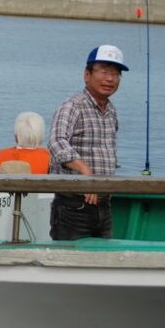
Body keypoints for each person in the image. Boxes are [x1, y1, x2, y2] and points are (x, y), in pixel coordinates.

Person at [48, 44, 128, 240]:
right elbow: (56, 142)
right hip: (74, 206)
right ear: (87, 74)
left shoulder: (111, 111)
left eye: (116, 73)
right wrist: (86, 172)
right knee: (69, 264)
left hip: (104, 206)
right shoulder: (72, 106)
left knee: (103, 265)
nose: (110, 79)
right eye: (104, 71)